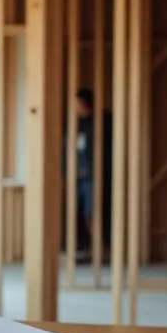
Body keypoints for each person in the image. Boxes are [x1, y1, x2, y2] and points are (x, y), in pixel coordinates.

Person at [71, 88, 113, 260]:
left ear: (83, 104)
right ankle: (88, 250)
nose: (74, 108)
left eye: (76, 104)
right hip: (81, 176)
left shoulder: (102, 121)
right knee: (80, 214)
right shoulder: (77, 124)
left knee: (93, 213)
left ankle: (103, 250)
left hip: (95, 177)